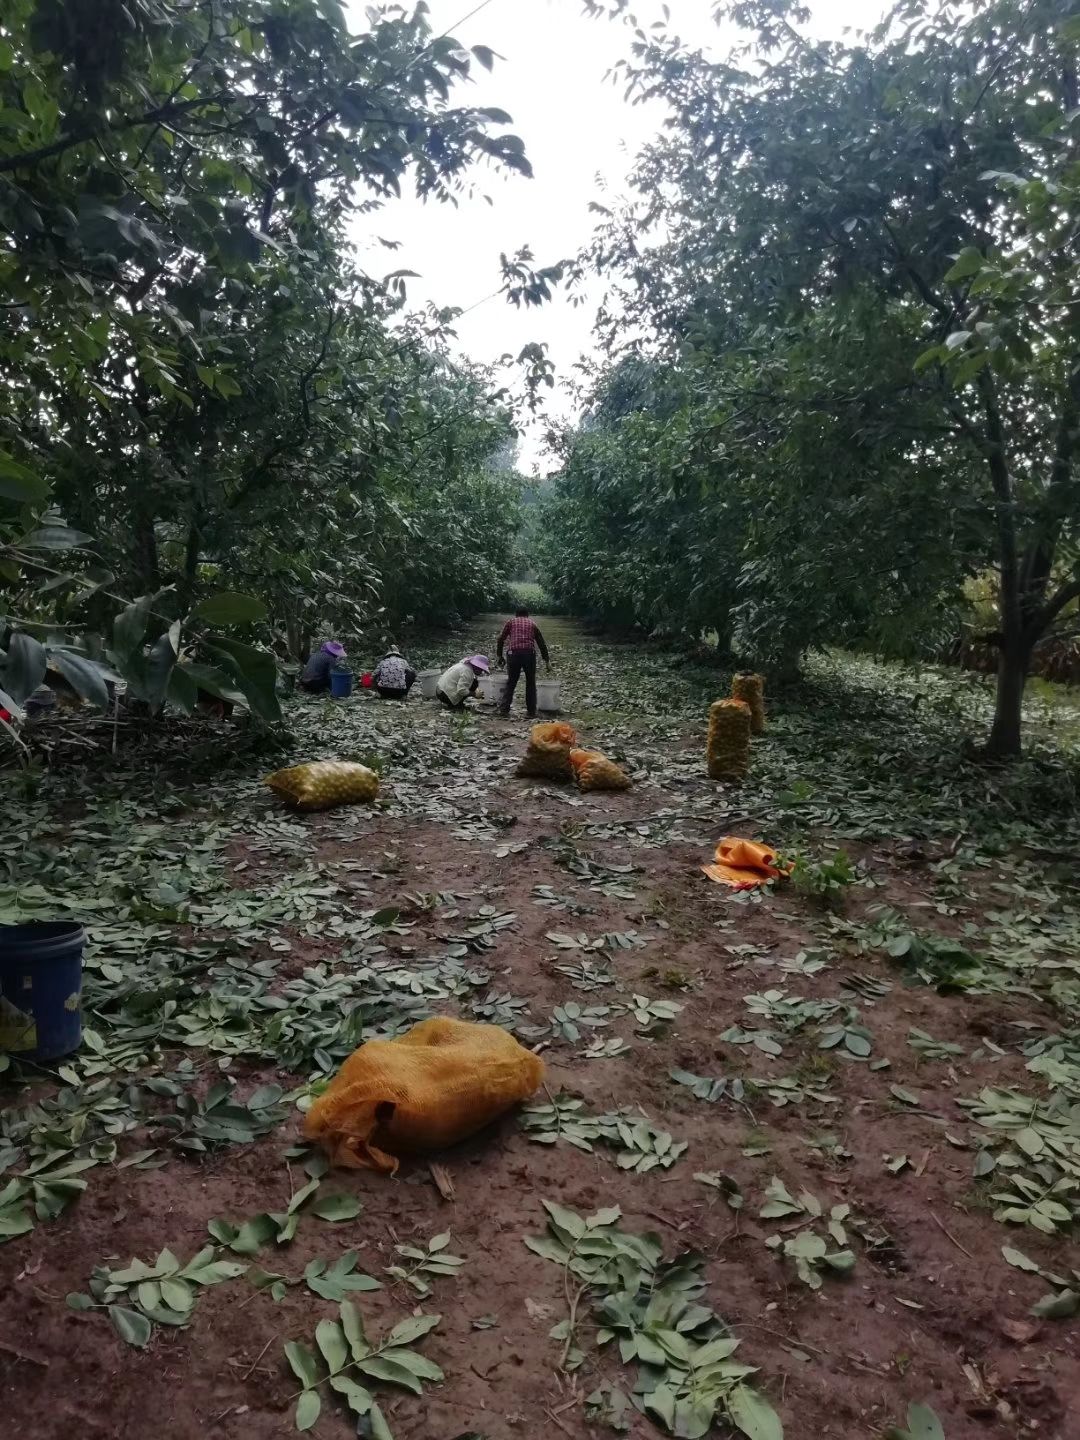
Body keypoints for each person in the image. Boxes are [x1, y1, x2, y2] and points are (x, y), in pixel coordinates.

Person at [496, 607, 551, 718]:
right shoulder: (532, 624)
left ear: (516, 615)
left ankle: (504, 710)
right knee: (530, 682)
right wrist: (547, 661)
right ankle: (531, 712)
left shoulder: (510, 622)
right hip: (529, 654)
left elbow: (500, 639)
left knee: (511, 682)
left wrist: (499, 656)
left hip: (513, 654)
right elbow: (541, 643)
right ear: (527, 615)